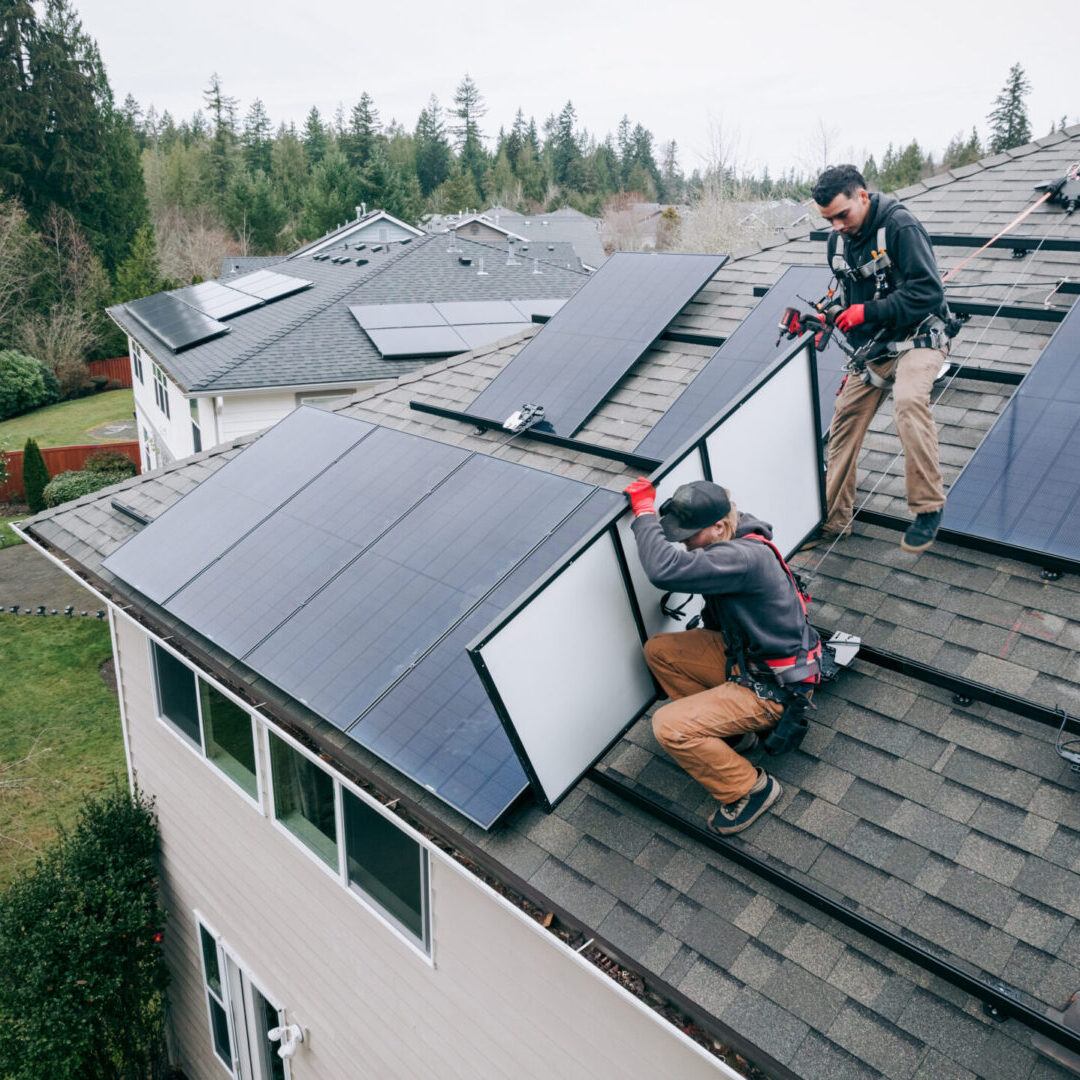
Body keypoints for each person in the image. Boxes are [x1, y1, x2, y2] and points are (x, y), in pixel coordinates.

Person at [624, 477, 820, 835]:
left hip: (772, 687)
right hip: (745, 658)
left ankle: (749, 789)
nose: (683, 543)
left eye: (689, 535)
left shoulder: (741, 556)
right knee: (660, 651)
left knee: (669, 726)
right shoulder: (734, 531)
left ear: (717, 526)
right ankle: (730, 737)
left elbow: (663, 570)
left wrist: (644, 512)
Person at [809, 164, 951, 553]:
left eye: (843, 215)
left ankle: (927, 509)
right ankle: (834, 521)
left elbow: (928, 293)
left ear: (863, 197)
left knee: (907, 402)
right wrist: (834, 313)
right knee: (844, 423)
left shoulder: (900, 227)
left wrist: (866, 313)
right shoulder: (838, 241)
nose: (837, 225)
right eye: (828, 219)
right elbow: (850, 293)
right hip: (876, 346)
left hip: (921, 335)